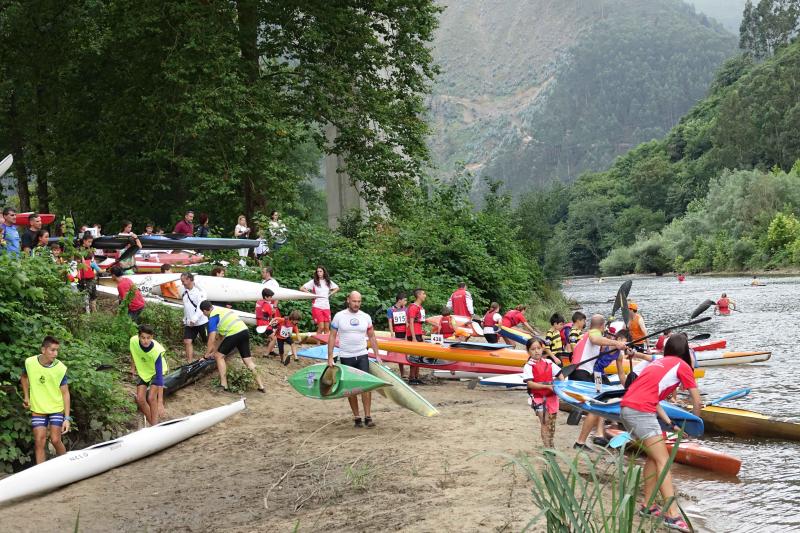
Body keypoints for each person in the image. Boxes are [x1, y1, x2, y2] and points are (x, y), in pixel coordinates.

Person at [620, 334, 702, 532]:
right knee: (664, 461)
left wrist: (669, 423)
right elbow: (697, 402)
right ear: (685, 352)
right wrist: (695, 425)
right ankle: (672, 514)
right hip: (641, 411)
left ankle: (648, 505)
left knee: (654, 458)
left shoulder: (658, 362)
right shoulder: (682, 366)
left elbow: (654, 400)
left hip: (629, 408)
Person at [569, 314, 627, 450]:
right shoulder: (594, 333)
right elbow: (596, 339)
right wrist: (616, 343)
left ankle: (595, 435)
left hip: (586, 374)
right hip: (583, 373)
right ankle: (581, 442)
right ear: (601, 326)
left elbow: (621, 372)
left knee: (599, 404)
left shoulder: (591, 338)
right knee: (596, 407)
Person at [327, 291, 383, 428]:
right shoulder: (339, 316)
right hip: (346, 356)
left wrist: (377, 354)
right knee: (350, 388)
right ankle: (357, 417)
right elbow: (332, 337)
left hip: (362, 355)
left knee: (366, 387)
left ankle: (368, 416)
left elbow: (372, 336)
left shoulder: (365, 317)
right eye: (354, 301)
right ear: (348, 300)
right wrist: (329, 357)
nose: (356, 304)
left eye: (359, 301)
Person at [20, 336, 71, 464]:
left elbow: (65, 394)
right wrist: (26, 396)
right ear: (43, 349)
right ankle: (40, 473)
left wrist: (67, 418)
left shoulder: (60, 368)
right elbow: (24, 377)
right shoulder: (30, 362)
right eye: (52, 350)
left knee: (55, 440)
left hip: (56, 408)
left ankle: (66, 465)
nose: (55, 354)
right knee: (39, 441)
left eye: (57, 350)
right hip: (38, 408)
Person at [200, 300, 265, 392]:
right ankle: (261, 386)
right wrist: (213, 352)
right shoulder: (221, 310)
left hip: (234, 333)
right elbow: (221, 338)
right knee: (248, 361)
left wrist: (206, 355)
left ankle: (223, 385)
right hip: (244, 331)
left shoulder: (212, 318)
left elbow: (211, 338)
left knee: (219, 357)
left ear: (204, 311)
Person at [522, 337, 563, 448]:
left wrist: (561, 384)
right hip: (538, 397)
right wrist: (548, 386)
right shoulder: (528, 366)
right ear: (528, 351)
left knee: (551, 423)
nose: (536, 351)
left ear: (542, 349)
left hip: (552, 397)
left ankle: (551, 443)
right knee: (545, 422)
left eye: (538, 348)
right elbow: (530, 384)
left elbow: (560, 374)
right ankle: (547, 447)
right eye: (533, 349)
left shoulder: (549, 362)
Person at [129, 324, 168, 426]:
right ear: (138, 337)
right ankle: (155, 425)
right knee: (140, 399)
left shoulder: (156, 351)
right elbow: (133, 353)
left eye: (148, 338)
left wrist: (160, 402)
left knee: (151, 397)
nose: (145, 341)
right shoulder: (133, 341)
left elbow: (159, 378)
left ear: (152, 337)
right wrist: (132, 368)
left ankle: (155, 426)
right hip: (144, 370)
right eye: (143, 338)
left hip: (156, 372)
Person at [300, 266, 339, 334]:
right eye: (317, 271)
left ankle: (326, 343)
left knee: (327, 328)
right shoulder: (314, 281)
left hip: (326, 306)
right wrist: (311, 294)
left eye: (320, 271)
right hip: (317, 306)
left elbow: (337, 288)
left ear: (324, 272)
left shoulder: (328, 281)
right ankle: (318, 344)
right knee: (321, 327)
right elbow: (302, 288)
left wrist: (330, 294)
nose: (319, 273)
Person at [181, 272, 208, 362]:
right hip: (190, 323)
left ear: (189, 280)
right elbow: (186, 308)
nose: (182, 283)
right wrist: (185, 319)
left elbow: (201, 308)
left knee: (207, 341)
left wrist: (194, 319)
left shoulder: (199, 292)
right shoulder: (184, 292)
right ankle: (189, 362)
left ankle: (209, 357)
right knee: (187, 341)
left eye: (183, 281)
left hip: (201, 322)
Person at [406, 288, 427, 385]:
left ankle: (416, 376)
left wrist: (422, 334)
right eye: (423, 294)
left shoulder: (421, 308)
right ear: (418, 295)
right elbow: (410, 322)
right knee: (414, 356)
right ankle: (411, 377)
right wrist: (414, 337)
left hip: (419, 333)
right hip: (413, 334)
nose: (425, 295)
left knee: (419, 355)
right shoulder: (413, 307)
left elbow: (420, 323)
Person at [77, 232, 102, 313]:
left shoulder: (91, 250)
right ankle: (84, 311)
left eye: (91, 242)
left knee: (93, 293)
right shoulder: (79, 250)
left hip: (91, 275)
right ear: (84, 241)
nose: (90, 244)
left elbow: (93, 261)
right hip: (83, 275)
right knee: (84, 294)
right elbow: (78, 262)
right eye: (89, 242)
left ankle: (94, 310)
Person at [386, 291, 408, 379]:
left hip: (405, 332)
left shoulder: (406, 309)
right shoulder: (390, 310)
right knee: (400, 354)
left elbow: (407, 322)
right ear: (399, 300)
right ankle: (402, 373)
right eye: (405, 300)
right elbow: (390, 322)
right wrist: (392, 333)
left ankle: (410, 373)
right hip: (397, 333)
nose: (406, 302)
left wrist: (407, 333)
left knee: (407, 352)